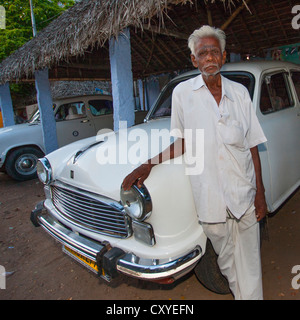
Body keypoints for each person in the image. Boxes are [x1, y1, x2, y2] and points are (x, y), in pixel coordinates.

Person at [122, 25, 268, 300]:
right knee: (226, 261)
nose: (209, 58)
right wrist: (149, 164)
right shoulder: (182, 94)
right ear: (194, 60)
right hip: (209, 197)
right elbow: (182, 141)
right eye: (203, 53)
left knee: (249, 260)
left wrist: (260, 193)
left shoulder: (239, 94)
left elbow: (252, 145)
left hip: (243, 192)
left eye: (215, 52)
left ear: (224, 57)